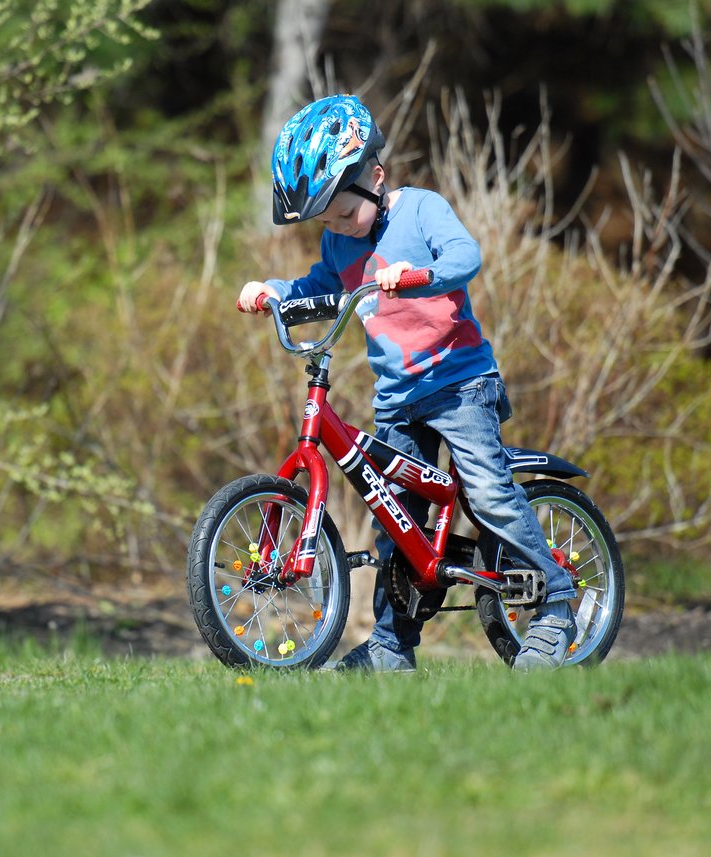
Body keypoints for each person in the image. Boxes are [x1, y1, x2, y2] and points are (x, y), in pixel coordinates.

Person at [237, 94, 578, 672]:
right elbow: (325, 286)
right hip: (397, 399)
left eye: (343, 214)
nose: (338, 227)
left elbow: (465, 256)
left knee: (488, 492)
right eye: (326, 221)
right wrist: (276, 292)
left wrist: (418, 275)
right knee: (394, 520)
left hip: (460, 384)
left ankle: (556, 604)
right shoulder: (339, 240)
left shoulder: (421, 211)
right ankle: (393, 648)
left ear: (375, 176)